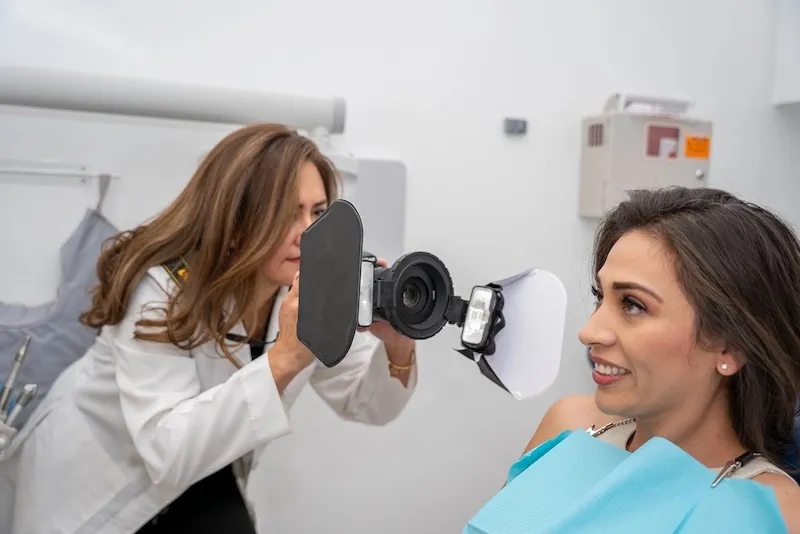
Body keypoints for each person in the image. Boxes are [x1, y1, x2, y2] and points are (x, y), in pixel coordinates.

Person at [2, 123, 418, 534]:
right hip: (101, 478)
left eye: (318, 213)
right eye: (286, 214)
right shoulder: (163, 290)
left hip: (204, 464)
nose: (308, 233)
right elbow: (166, 451)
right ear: (234, 221)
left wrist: (397, 351)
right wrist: (285, 359)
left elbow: (366, 403)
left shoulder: (304, 289)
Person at [465, 187, 800, 533]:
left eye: (632, 305)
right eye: (600, 297)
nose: (589, 331)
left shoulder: (769, 509)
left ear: (730, 347)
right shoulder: (570, 424)